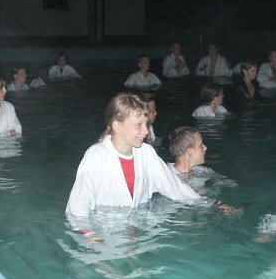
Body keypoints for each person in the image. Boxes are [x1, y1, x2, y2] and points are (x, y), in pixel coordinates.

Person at [65, 93, 200, 217]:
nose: (146, 131)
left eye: (146, 124)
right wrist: (90, 234)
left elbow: (174, 187)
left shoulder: (146, 153)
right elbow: (78, 206)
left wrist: (206, 203)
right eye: (138, 125)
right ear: (117, 126)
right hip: (105, 230)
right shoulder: (96, 156)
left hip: (142, 227)